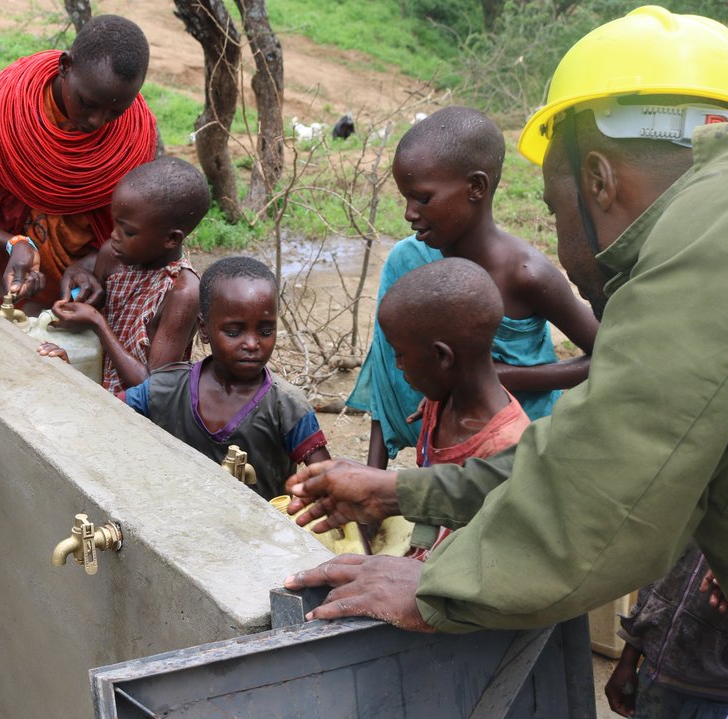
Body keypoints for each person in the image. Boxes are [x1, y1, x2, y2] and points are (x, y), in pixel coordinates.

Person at [279, 8, 728, 719]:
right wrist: (402, 490)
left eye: (555, 208)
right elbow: (581, 451)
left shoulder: (706, 243)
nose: (557, 234)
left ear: (599, 179)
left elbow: (608, 501)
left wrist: (441, 587)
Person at [348, 106, 599, 471]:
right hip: (443, 456)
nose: (408, 213)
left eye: (423, 198)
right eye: (405, 197)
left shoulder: (526, 274)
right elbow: (385, 369)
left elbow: (606, 354)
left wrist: (499, 376)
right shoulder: (409, 260)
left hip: (521, 456)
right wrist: (372, 479)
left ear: (476, 188)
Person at [0, 14, 158, 311]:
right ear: (65, 66)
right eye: (87, 103)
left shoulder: (132, 139)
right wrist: (15, 243)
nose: (97, 121)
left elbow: (127, 233)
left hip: (75, 292)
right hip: (1, 272)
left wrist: (86, 266)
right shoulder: (6, 112)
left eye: (115, 112)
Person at [120, 256, 330, 500]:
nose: (252, 344)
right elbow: (102, 413)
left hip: (260, 525)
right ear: (204, 329)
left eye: (265, 331)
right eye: (233, 332)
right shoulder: (165, 390)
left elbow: (326, 480)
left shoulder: (287, 406)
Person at [378, 258, 530, 558]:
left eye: (400, 354)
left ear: (442, 357)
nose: (397, 365)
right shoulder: (441, 401)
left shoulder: (507, 449)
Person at [39, 156, 208, 394]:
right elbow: (91, 308)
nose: (113, 236)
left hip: (134, 411)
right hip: (93, 388)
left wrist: (97, 322)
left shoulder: (182, 293)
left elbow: (153, 390)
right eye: (115, 224)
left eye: (128, 232)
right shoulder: (113, 255)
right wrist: (75, 293)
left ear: (171, 239)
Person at [602, 544, 728, 719]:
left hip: (718, 700)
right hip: (655, 680)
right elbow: (658, 574)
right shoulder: (694, 518)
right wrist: (630, 654)